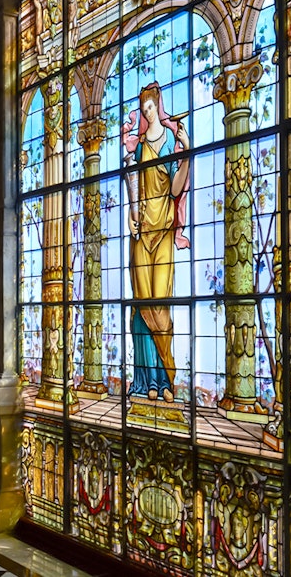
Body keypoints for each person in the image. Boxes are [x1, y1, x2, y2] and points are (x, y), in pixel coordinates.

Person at [122, 82, 190, 402]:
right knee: (141, 305)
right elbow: (132, 186)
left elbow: (176, 189)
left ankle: (166, 378)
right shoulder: (138, 148)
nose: (147, 113)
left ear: (158, 105)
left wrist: (186, 154)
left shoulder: (166, 145)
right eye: (144, 108)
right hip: (140, 235)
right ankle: (146, 380)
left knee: (160, 303)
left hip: (162, 232)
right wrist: (130, 217)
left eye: (151, 107)